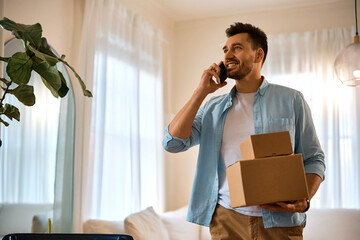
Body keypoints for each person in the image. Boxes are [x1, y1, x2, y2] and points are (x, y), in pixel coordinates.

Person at [162, 22, 325, 240]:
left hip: (280, 221)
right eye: (225, 50)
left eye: (236, 48)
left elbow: (314, 158)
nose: (228, 55)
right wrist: (201, 92)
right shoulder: (212, 107)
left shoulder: (292, 100)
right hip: (226, 218)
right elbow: (172, 143)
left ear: (258, 55)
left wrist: (305, 199)